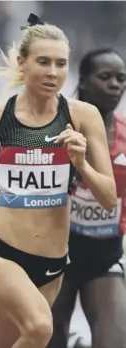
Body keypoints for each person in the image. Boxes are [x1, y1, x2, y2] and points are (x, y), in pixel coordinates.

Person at [0, 14, 117, 348]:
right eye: (43, 62)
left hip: (51, 264)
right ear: (22, 63)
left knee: (4, 342)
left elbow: (109, 197)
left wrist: (81, 163)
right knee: (40, 329)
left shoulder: (83, 116)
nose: (53, 72)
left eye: (61, 64)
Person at [48, 48, 126, 348]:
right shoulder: (56, 130)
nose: (115, 85)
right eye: (105, 77)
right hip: (55, 256)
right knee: (48, 340)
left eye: (121, 79)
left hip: (104, 258)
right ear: (83, 80)